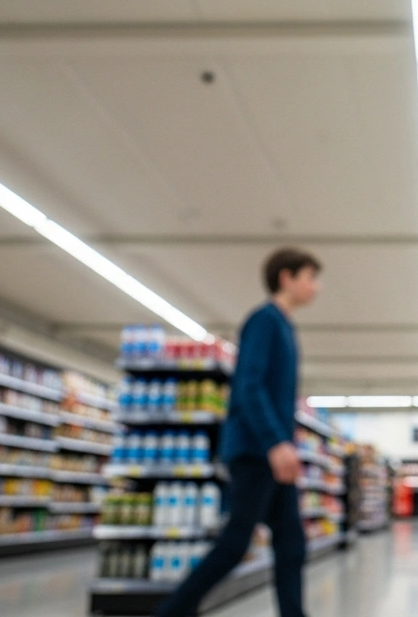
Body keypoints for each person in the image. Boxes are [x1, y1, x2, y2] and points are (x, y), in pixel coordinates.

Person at [154, 247, 322, 617]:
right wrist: (275, 442)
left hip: (272, 452)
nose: (316, 287)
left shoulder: (282, 324)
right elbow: (248, 386)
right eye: (310, 277)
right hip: (257, 452)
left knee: (292, 543)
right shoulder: (264, 320)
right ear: (286, 278)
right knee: (234, 545)